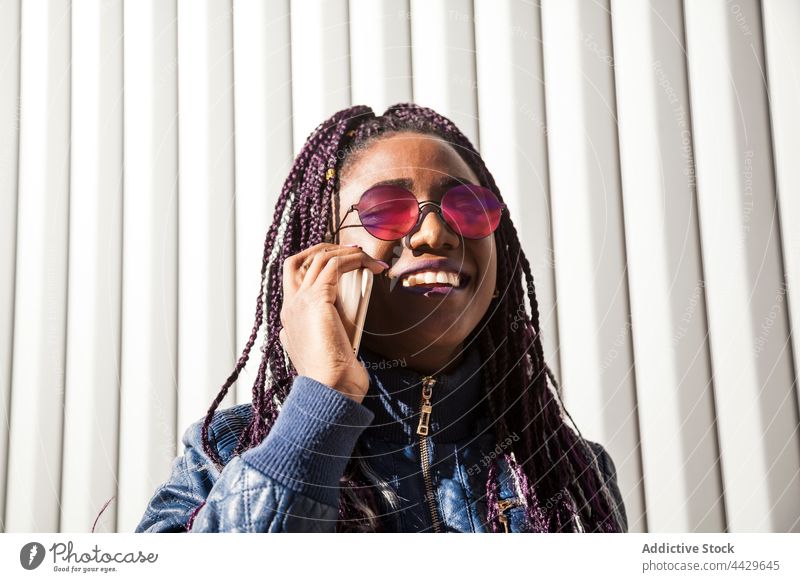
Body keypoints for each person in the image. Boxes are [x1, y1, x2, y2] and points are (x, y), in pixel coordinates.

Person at [134, 103, 628, 533]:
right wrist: (318, 413)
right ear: (322, 257)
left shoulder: (566, 471)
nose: (435, 232)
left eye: (468, 207)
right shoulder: (224, 454)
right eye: (387, 209)